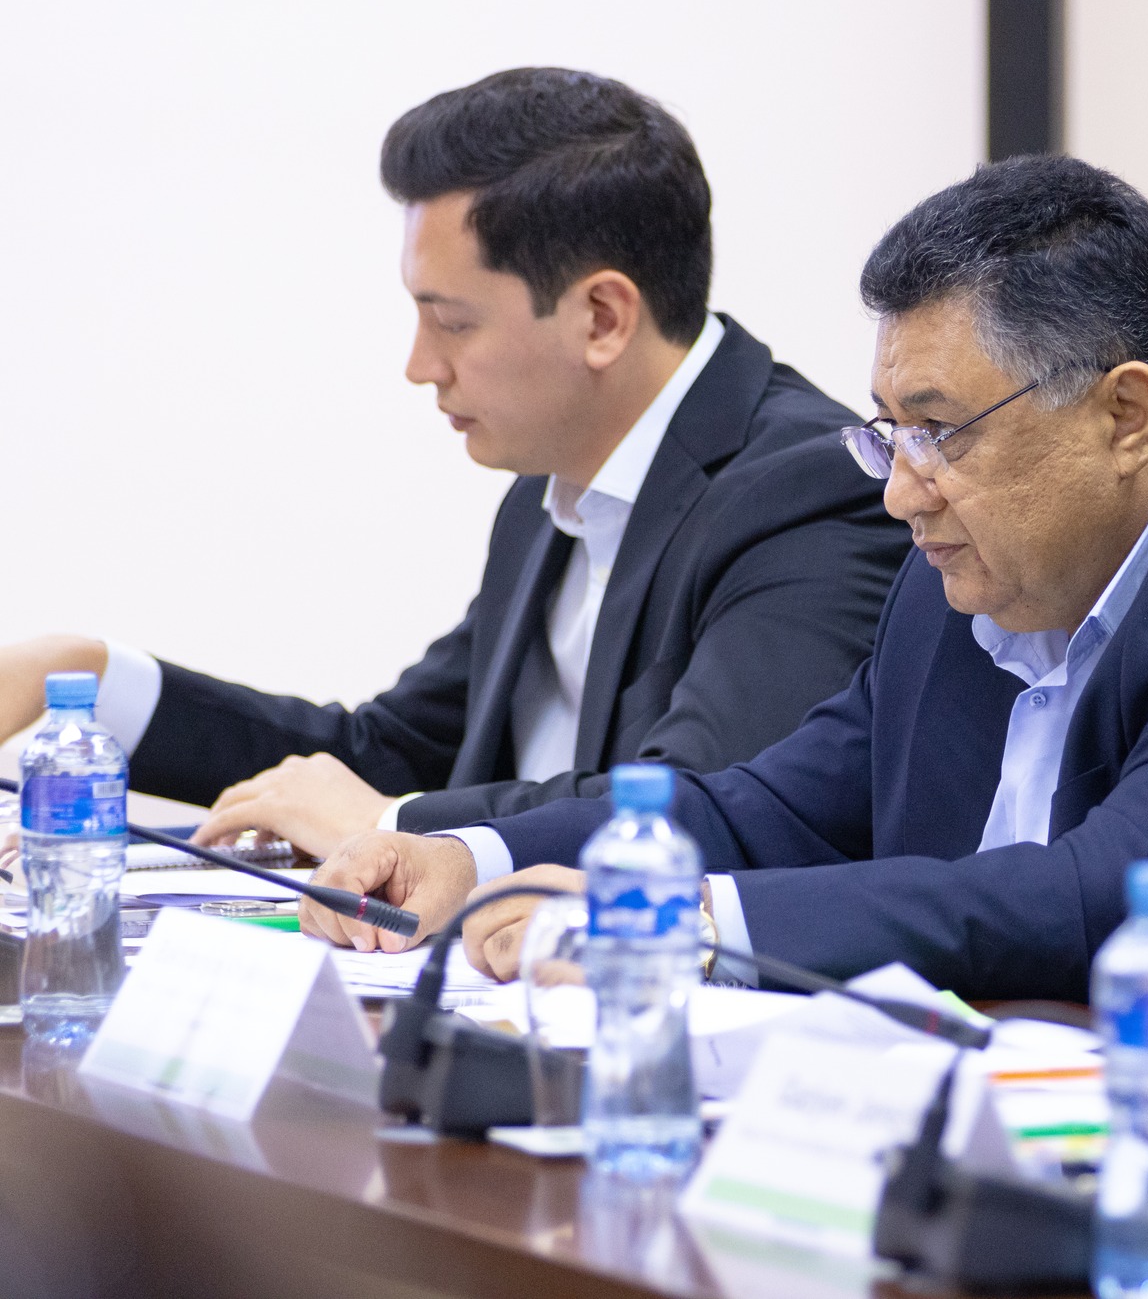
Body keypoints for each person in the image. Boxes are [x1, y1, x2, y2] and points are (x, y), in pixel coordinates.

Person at [300, 154, 1148, 1003]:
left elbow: (1112, 890)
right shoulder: (969, 568)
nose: (902, 491)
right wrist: (471, 858)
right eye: (891, 433)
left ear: (1126, 416)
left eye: (939, 432)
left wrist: (689, 925)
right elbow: (768, 809)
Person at [0, 68, 906, 854]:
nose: (419, 365)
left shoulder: (810, 489)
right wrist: (87, 677)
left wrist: (391, 824)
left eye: (453, 322)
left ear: (602, 317)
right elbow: (388, 755)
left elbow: (701, 807)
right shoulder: (551, 486)